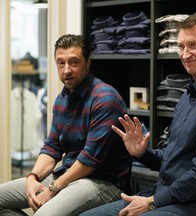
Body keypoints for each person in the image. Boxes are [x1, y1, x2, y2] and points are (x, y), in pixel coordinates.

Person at [80, 11, 196, 216]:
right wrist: (142, 153)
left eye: (193, 45)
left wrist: (153, 202)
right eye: (181, 46)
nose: (185, 54)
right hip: (171, 197)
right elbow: (176, 159)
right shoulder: (190, 93)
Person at [0, 34, 132, 216]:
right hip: (66, 176)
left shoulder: (105, 99)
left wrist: (53, 188)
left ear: (88, 62)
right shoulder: (62, 100)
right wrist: (33, 177)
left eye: (74, 62)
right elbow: (52, 147)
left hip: (101, 182)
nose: (67, 70)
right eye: (61, 63)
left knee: (44, 214)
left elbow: (89, 160)